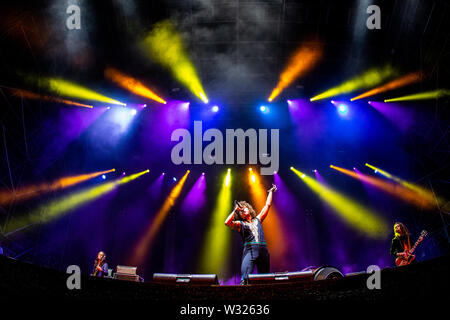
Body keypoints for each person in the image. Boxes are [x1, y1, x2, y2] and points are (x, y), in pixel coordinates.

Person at [224, 184, 277, 285]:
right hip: (249, 250)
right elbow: (227, 223)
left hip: (263, 249)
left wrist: (270, 192)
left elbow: (267, 205)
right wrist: (235, 210)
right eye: (241, 210)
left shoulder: (258, 219)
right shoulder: (241, 224)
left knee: (265, 279)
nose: (243, 209)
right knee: (245, 278)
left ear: (249, 209)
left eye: (245, 208)